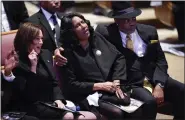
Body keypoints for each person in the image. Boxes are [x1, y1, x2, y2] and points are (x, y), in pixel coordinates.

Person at [95, 1, 184, 120]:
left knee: (182, 90)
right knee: (149, 101)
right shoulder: (106, 33)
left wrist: (159, 84)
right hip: (131, 81)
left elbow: (160, 60)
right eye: (126, 20)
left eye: (133, 18)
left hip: (153, 75)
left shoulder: (149, 31)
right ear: (116, 20)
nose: (131, 23)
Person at [2, 22, 96, 120]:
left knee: (81, 116)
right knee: (68, 116)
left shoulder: (45, 54)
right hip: (28, 105)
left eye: (42, 38)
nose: (41, 42)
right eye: (37, 39)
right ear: (27, 40)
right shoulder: (17, 60)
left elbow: (54, 81)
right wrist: (33, 67)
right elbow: (28, 94)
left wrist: (58, 99)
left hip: (48, 102)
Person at [57, 12, 138, 120]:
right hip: (86, 94)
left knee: (135, 109)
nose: (83, 26)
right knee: (116, 113)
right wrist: (100, 86)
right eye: (77, 26)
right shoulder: (66, 53)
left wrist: (116, 81)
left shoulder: (95, 38)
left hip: (108, 87)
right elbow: (72, 85)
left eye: (83, 22)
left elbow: (119, 57)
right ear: (71, 32)